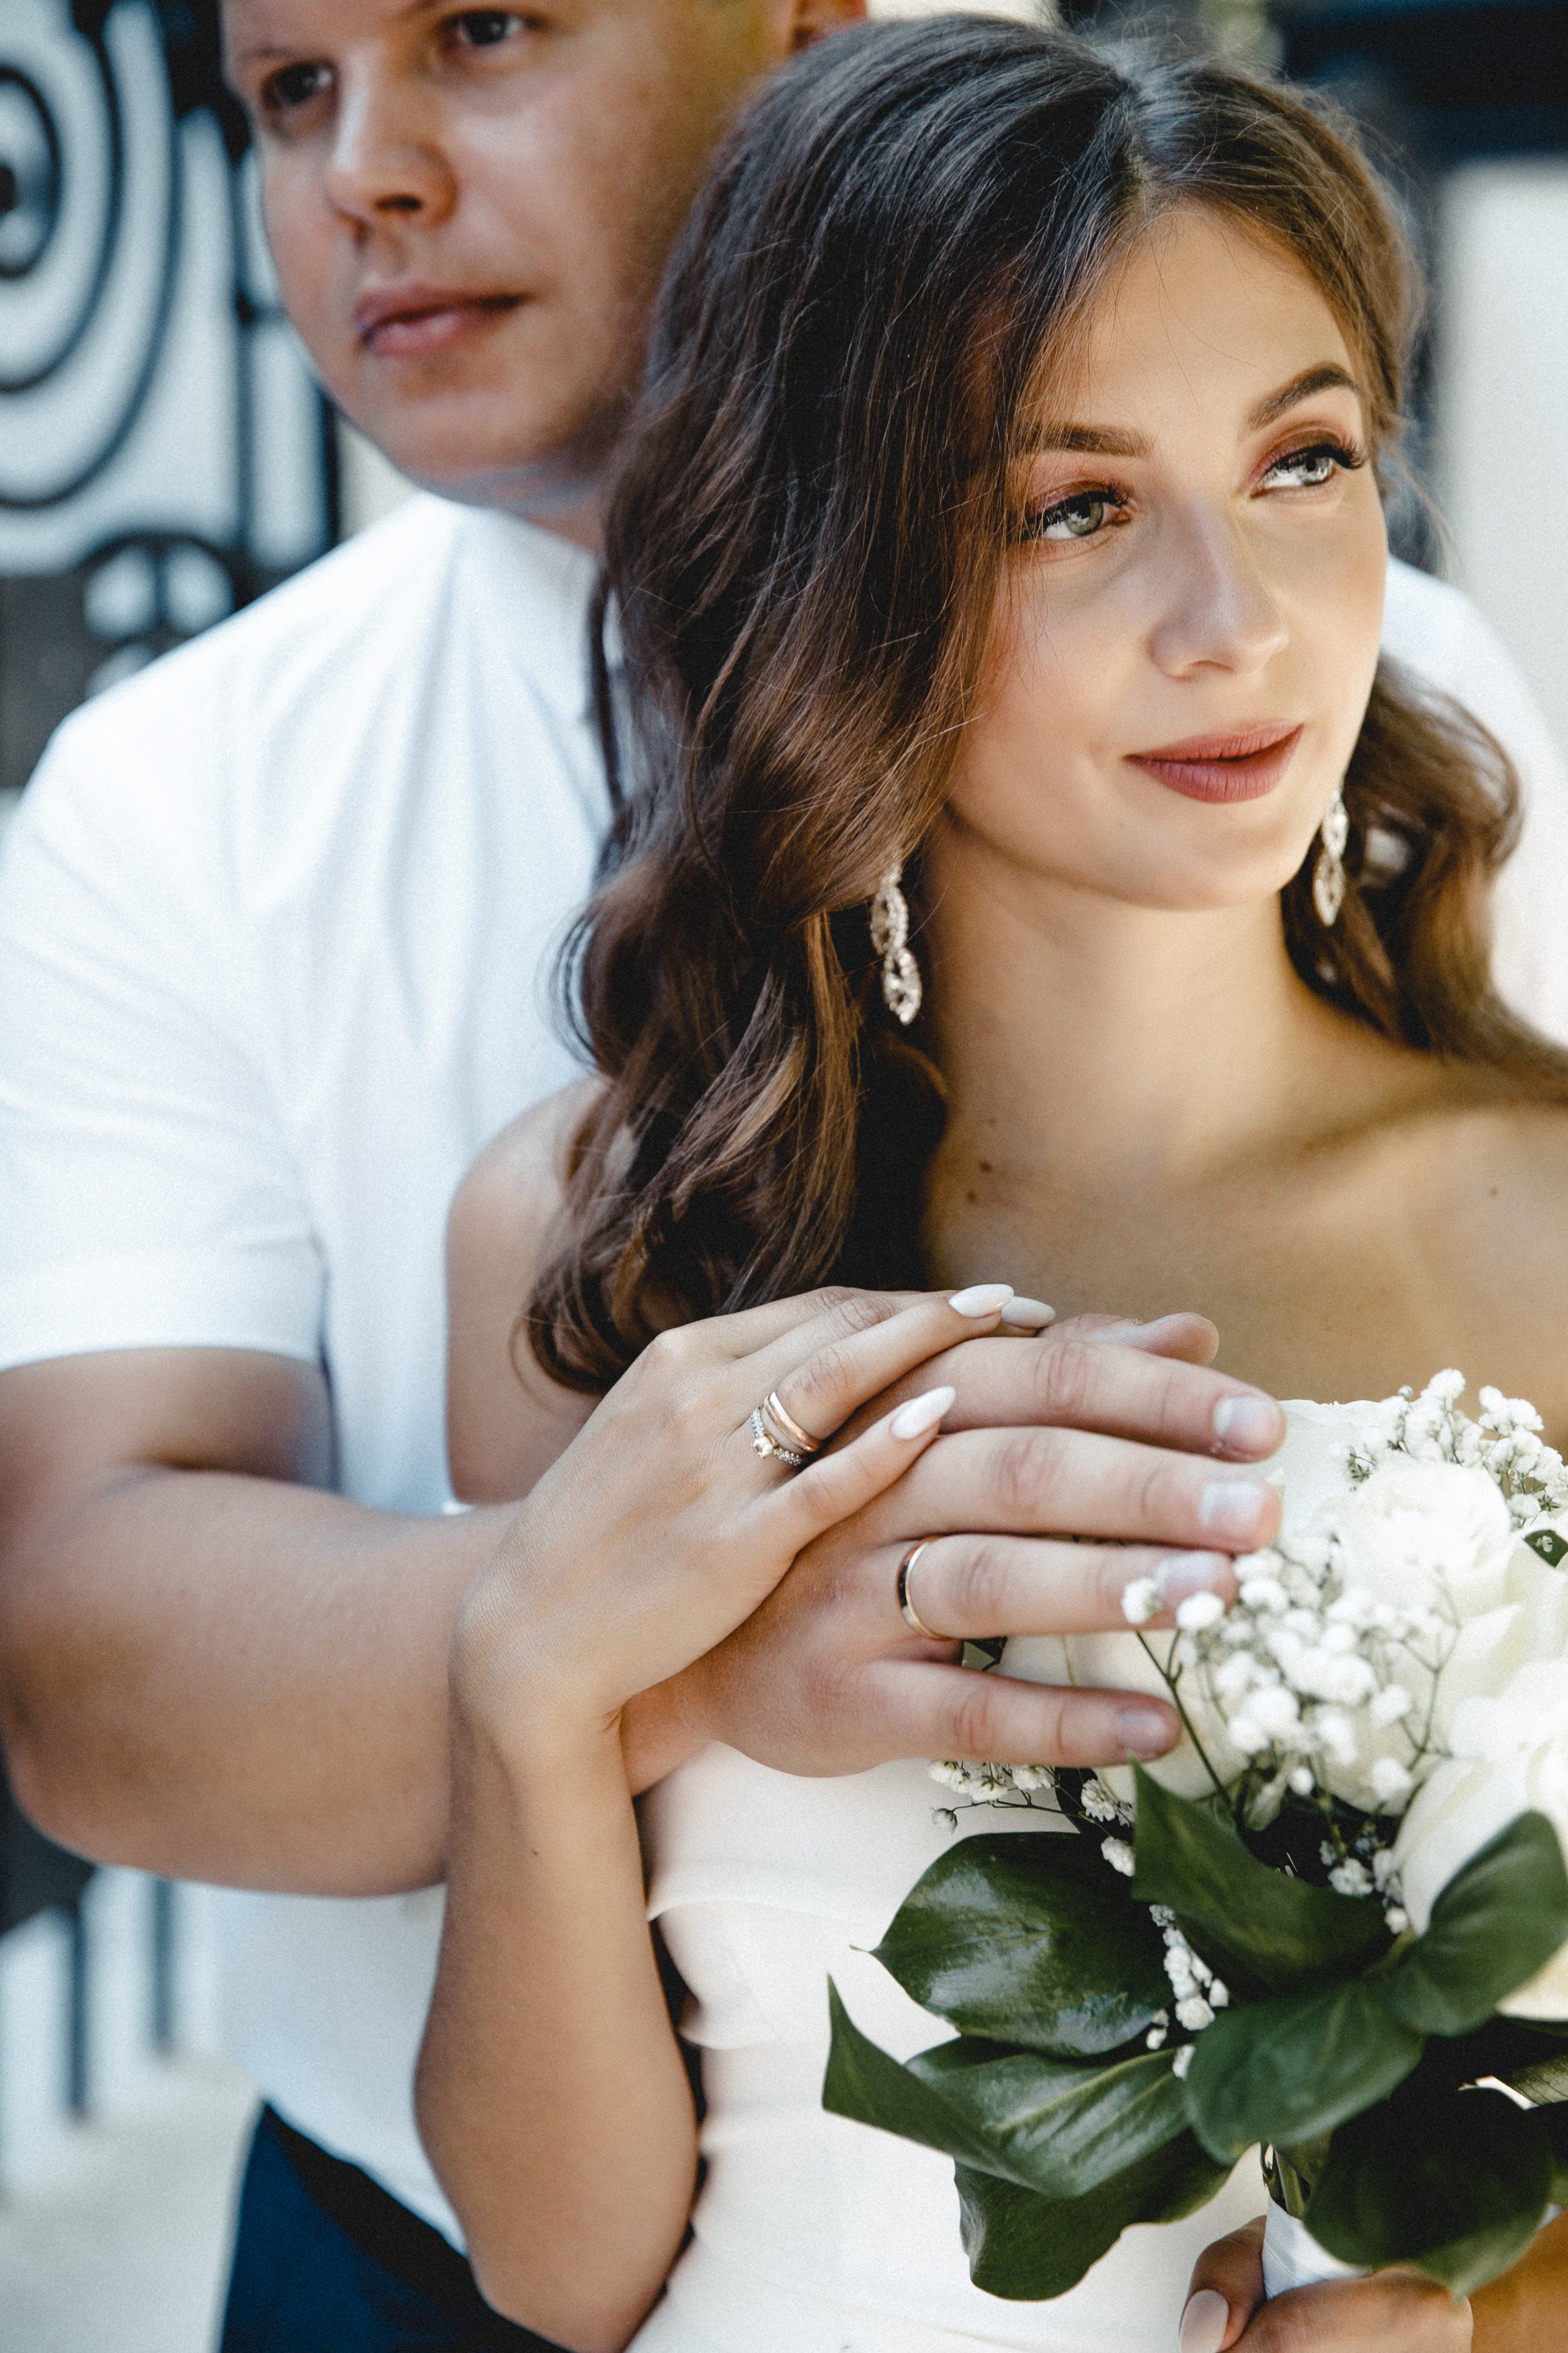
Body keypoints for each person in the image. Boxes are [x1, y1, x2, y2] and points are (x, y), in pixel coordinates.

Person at [0, 2, 1313, 2342]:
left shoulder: (1315, 696)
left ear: (807, 31)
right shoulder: (178, 798)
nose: (365, 171)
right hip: (422, 2262)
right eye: (288, 93)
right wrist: (674, 1632)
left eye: (482, 28)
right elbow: (85, 1661)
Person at [419, 22, 1568, 2353]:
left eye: (1305, 459)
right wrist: (524, 1691)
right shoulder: (597, 1243)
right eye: (1072, 506)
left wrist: (1503, 2315)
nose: (1235, 615)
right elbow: (564, 2267)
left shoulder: (1542, 1219)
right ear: (833, 570)